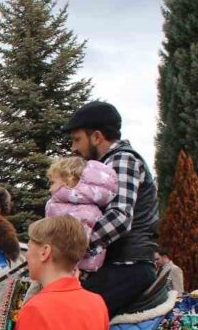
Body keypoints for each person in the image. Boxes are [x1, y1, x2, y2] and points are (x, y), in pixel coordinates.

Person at [63, 100, 159, 317]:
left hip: (127, 266)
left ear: (97, 137)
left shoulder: (121, 159)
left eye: (77, 139)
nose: (73, 148)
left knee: (69, 316)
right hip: (115, 265)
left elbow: (119, 217)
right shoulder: (105, 165)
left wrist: (69, 249)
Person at [45, 155, 118, 273]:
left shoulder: (81, 213)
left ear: (69, 181)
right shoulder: (67, 206)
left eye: (53, 182)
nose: (50, 189)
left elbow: (72, 246)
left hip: (68, 271)